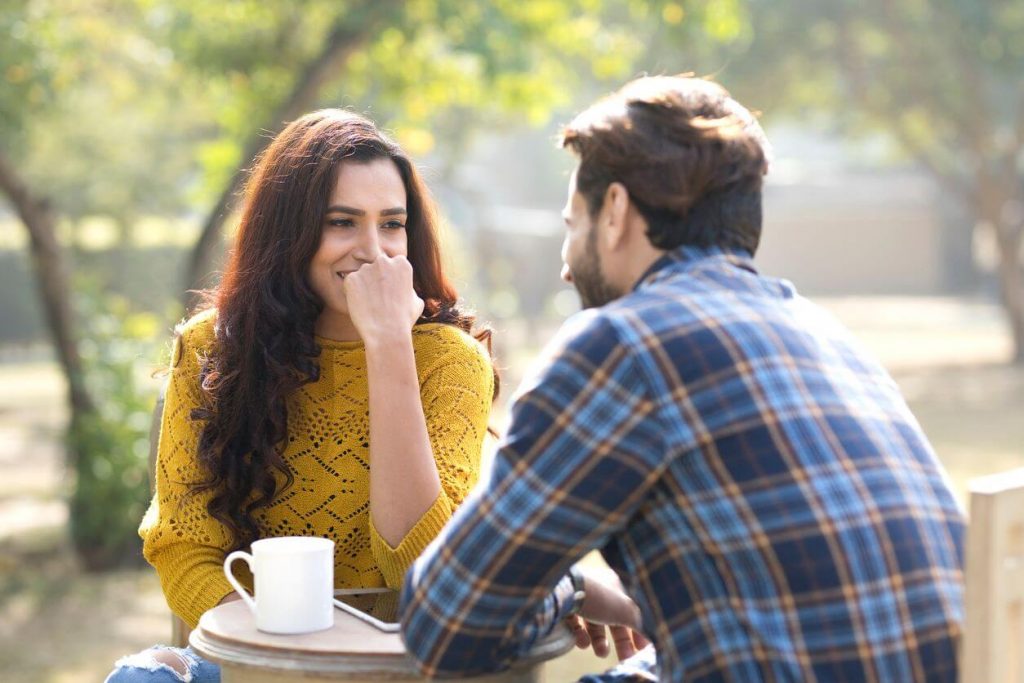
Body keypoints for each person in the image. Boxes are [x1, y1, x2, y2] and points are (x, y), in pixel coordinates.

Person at [400, 75, 965, 682]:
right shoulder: (828, 337)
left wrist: (569, 586)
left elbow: (444, 623)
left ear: (614, 212)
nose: (566, 268)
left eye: (572, 226)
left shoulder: (622, 344)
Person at [106, 110, 496, 682]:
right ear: (289, 231)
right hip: (250, 652)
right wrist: (276, 661)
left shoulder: (450, 362)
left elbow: (422, 567)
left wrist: (389, 344)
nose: (374, 250)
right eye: (342, 223)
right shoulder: (211, 348)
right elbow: (185, 546)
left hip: (391, 664)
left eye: (392, 224)